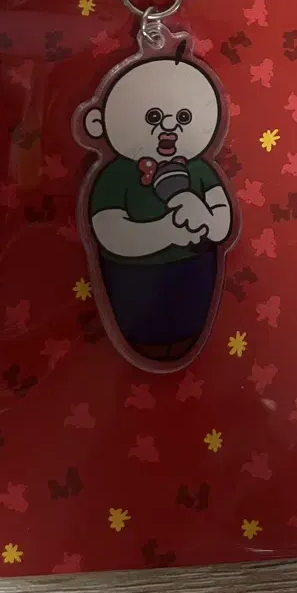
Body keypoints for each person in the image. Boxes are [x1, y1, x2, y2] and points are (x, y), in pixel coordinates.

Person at [79, 40, 233, 362]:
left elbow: (222, 223)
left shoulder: (200, 170)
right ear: (97, 123)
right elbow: (107, 229)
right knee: (145, 325)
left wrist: (207, 219)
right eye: (153, 116)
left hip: (195, 268)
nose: (169, 126)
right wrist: (166, 231)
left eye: (184, 117)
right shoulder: (117, 175)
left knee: (188, 320)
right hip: (133, 275)